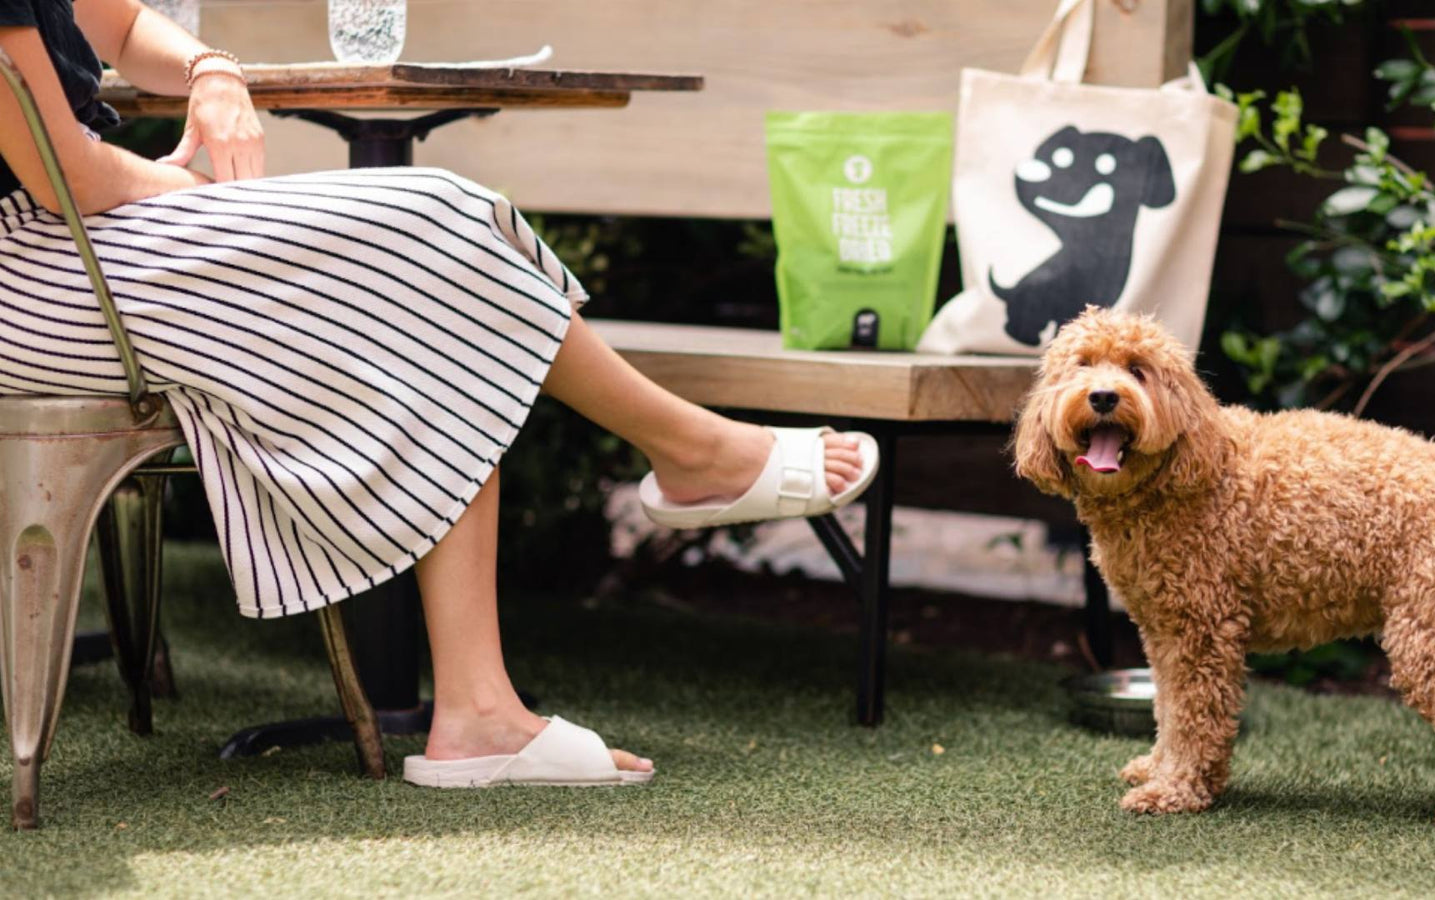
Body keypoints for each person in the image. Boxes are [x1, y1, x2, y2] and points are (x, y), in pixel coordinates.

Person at [0, 0, 877, 788]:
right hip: (34, 267)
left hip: (83, 235)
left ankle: (482, 707)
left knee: (436, 243)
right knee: (436, 224)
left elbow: (113, 25)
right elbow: (62, 174)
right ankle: (691, 456)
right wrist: (192, 189)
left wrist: (212, 69)